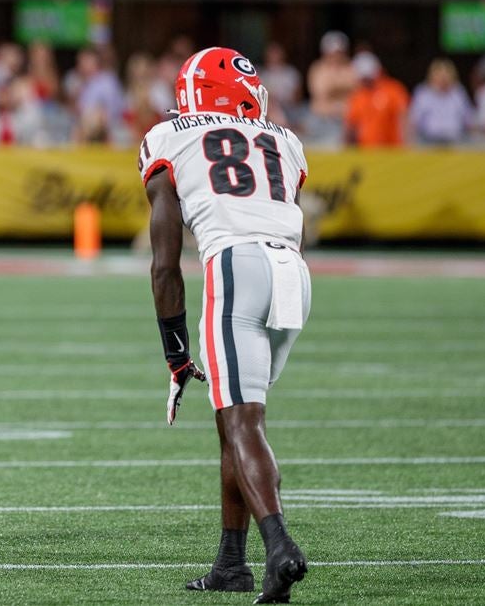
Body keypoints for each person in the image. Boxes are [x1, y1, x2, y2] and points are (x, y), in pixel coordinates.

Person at [139, 47, 311, 603]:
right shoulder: (287, 141)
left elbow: (166, 262)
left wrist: (173, 350)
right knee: (236, 418)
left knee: (242, 423)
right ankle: (231, 563)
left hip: (235, 267)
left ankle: (279, 547)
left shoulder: (169, 136)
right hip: (293, 275)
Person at [345, 51, 409, 147]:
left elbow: (404, 119)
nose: (365, 81)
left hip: (392, 150)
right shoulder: (357, 96)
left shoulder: (393, 90)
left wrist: (406, 145)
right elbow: (351, 127)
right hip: (365, 152)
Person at [306, 31, 357, 145]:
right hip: (322, 120)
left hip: (345, 122)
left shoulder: (351, 68)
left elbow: (356, 91)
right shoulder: (317, 68)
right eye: (332, 52)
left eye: (339, 52)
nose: (336, 56)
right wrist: (342, 88)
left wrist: (334, 87)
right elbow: (322, 91)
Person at [409, 58, 475, 145]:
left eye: (446, 74)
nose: (443, 77)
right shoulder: (423, 93)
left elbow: (469, 119)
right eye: (439, 74)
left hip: (455, 141)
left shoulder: (458, 92)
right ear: (432, 76)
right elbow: (413, 120)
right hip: (429, 141)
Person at [259, 42, 302, 127]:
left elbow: (298, 96)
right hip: (270, 109)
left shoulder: (291, 73)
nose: (275, 56)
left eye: (277, 53)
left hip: (289, 107)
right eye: (272, 54)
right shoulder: (262, 74)